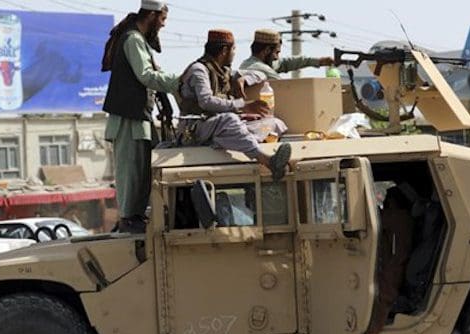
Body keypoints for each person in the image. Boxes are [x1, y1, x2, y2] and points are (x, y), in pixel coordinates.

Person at [101, 0, 178, 234]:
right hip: (127, 118)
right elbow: (146, 76)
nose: (163, 25)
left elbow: (154, 75)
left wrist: (167, 100)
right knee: (130, 172)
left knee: (142, 171)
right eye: (162, 19)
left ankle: (134, 216)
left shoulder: (140, 41)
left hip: (139, 116)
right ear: (152, 15)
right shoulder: (133, 39)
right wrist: (181, 82)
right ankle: (127, 219)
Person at [178, 29, 291, 181]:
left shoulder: (224, 71)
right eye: (234, 49)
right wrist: (242, 105)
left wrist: (244, 79)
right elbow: (206, 101)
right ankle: (269, 161)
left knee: (273, 123)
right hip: (195, 127)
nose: (234, 53)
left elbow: (261, 73)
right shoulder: (199, 70)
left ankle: (227, 139)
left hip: (216, 126)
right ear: (225, 50)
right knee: (230, 120)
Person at [239, 29, 334, 80]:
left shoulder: (254, 63)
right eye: (276, 53)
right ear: (267, 50)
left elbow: (285, 63)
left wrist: (319, 61)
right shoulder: (259, 68)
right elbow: (285, 87)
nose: (277, 57)